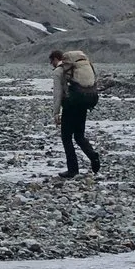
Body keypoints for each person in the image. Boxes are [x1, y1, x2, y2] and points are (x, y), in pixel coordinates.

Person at [49, 47, 101, 178]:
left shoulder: (59, 71)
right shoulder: (79, 67)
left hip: (70, 105)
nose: (52, 65)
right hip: (83, 102)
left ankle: (73, 170)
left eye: (52, 62)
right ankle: (93, 156)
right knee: (79, 136)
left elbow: (57, 93)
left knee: (66, 138)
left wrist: (56, 113)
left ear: (56, 59)